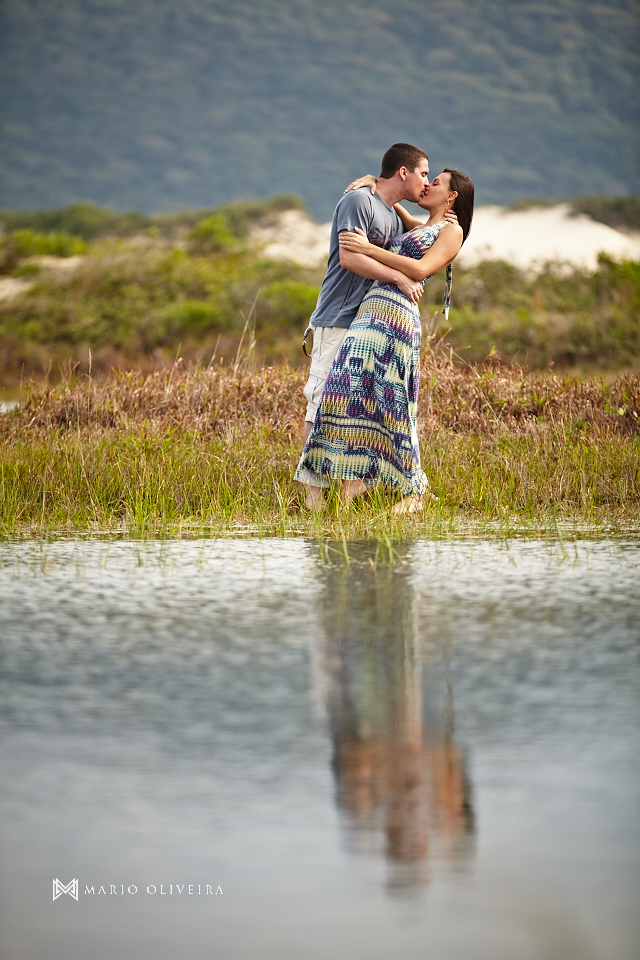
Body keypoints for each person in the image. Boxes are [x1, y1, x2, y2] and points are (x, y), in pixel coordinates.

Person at [295, 167, 475, 513]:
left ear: (452, 196)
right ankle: (349, 483)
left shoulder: (453, 230)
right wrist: (372, 182)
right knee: (346, 392)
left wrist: (368, 249)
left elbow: (420, 270)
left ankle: (412, 487)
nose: (428, 184)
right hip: (369, 314)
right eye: (426, 176)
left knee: (392, 401)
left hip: (396, 316)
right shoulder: (422, 226)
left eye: (435, 182)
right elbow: (394, 206)